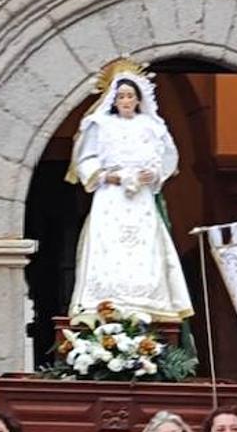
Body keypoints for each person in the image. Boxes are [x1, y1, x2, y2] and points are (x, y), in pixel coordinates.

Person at [67, 66, 192, 320]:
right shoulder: (100, 124)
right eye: (121, 96)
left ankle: (147, 301)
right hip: (111, 196)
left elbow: (167, 158)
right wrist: (108, 176)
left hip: (141, 199)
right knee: (108, 243)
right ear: (113, 100)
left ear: (138, 99)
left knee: (145, 245)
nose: (125, 100)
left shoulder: (152, 126)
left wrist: (154, 174)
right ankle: (105, 301)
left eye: (130, 96)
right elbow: (86, 159)